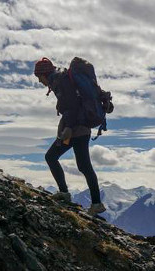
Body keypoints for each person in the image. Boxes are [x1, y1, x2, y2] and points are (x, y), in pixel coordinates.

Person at [33, 57, 106, 216]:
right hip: (77, 128)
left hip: (76, 129)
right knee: (78, 164)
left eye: (39, 77)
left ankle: (92, 202)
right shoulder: (60, 79)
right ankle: (92, 202)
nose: (40, 81)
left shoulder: (60, 81)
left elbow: (72, 106)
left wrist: (67, 128)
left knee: (56, 158)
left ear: (45, 74)